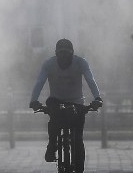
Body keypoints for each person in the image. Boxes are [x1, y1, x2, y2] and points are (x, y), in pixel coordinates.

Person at [29, 38, 102, 173]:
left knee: (78, 139)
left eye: (66, 54)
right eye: (61, 53)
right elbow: (39, 82)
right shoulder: (48, 64)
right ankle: (52, 145)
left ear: (72, 53)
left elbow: (91, 80)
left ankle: (79, 168)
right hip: (56, 101)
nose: (63, 57)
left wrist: (98, 98)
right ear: (56, 53)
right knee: (53, 121)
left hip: (77, 103)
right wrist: (34, 101)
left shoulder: (81, 63)